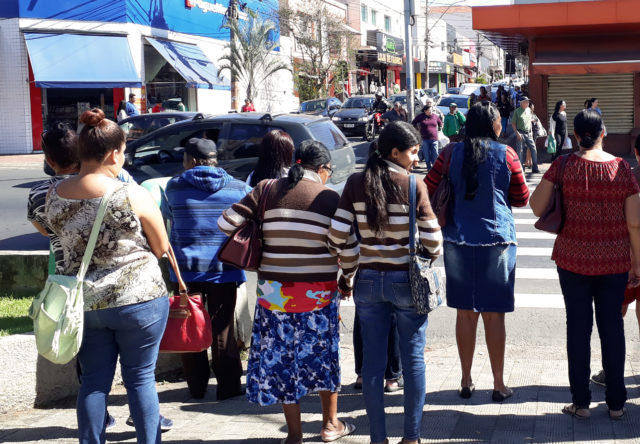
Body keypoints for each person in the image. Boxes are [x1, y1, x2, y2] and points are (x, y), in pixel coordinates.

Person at [218, 140, 357, 444]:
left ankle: (294, 435)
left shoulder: (266, 189)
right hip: (318, 296)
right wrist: (347, 279)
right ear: (322, 169)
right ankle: (330, 425)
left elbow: (225, 222)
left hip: (274, 295)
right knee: (323, 357)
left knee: (282, 362)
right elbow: (349, 251)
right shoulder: (329, 197)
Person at [45, 108, 169, 443]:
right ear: (114, 153)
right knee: (140, 378)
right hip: (139, 299)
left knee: (94, 382)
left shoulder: (54, 195)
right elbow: (160, 247)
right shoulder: (131, 193)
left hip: (85, 303)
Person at [328, 121, 442, 444]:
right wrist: (421, 253)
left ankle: (378, 438)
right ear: (395, 152)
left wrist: (352, 262)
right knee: (413, 360)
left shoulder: (355, 183)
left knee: (373, 366)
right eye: (413, 152)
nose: (417, 159)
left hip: (367, 283)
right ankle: (411, 437)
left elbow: (336, 237)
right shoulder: (413, 185)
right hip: (405, 281)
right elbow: (434, 243)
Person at [529, 109, 640, 420]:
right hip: (615, 260)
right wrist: (637, 263)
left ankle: (580, 404)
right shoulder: (622, 168)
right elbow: (634, 222)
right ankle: (616, 404)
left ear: (575, 135)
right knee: (612, 327)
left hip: (572, 258)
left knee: (578, 328)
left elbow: (536, 207)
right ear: (603, 133)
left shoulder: (563, 165)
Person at [426, 102, 529, 404]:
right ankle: (498, 384)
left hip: (457, 240)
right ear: (492, 124)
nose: (501, 124)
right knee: (494, 315)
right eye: (498, 120)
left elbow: (429, 187)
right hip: (497, 241)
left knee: (465, 313)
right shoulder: (507, 154)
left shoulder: (449, 153)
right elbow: (522, 197)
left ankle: (465, 380)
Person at [163, 138, 251, 401]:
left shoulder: (174, 186)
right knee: (222, 326)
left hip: (186, 270)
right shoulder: (238, 188)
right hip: (224, 267)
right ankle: (228, 386)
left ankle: (196, 386)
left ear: (191, 160)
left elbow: (169, 216)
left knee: (189, 324)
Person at [591, 133, 640, 388]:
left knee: (614, 316)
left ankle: (611, 371)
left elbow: (629, 223)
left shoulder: (627, 177)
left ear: (637, 153)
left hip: (625, 259)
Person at [511, 96, 539, 173]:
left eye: (528, 101)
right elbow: (513, 124)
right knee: (520, 151)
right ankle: (521, 168)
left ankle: (535, 167)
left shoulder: (529, 110)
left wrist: (531, 131)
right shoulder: (517, 111)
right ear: (521, 103)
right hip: (520, 133)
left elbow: (529, 120)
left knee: (533, 149)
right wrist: (517, 133)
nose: (528, 103)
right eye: (526, 102)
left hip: (529, 133)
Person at [412, 104, 442, 170]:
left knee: (435, 153)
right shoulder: (420, 116)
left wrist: (440, 129)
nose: (431, 111)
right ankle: (428, 167)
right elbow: (413, 123)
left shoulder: (435, 116)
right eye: (429, 110)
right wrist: (417, 130)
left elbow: (440, 123)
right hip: (425, 139)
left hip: (434, 138)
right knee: (426, 154)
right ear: (425, 111)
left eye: (431, 110)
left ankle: (434, 167)